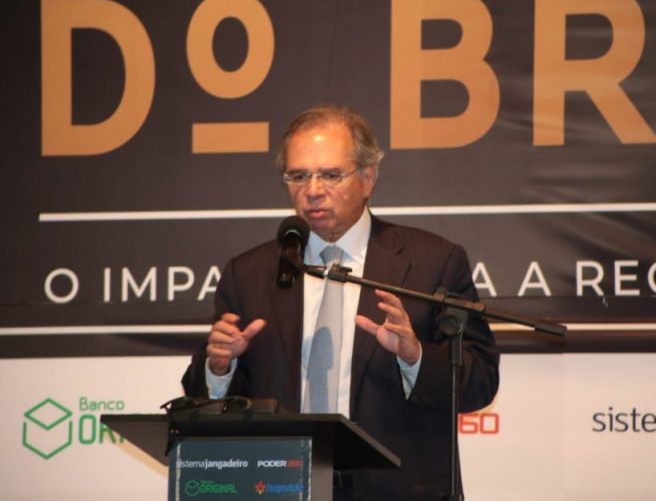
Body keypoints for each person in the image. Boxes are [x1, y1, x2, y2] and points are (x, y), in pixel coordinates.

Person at [182, 105, 499, 500]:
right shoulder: (248, 275)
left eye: (330, 175)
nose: (313, 190)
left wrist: (415, 357)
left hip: (396, 490)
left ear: (368, 178)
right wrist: (219, 368)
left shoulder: (433, 262)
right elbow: (205, 398)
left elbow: (480, 382)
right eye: (298, 176)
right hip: (280, 486)